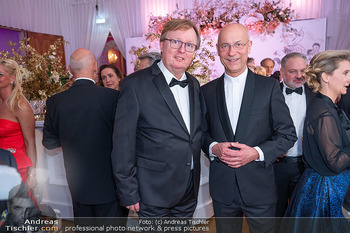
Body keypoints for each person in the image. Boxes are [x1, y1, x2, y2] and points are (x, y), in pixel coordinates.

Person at [201, 23, 297, 233]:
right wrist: (214, 147)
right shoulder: (206, 92)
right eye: (225, 46)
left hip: (260, 188)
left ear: (249, 46)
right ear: (217, 49)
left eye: (238, 44)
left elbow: (288, 135)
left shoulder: (269, 87)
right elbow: (201, 135)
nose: (231, 52)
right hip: (222, 191)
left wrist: (256, 153)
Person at [112, 19, 203, 225]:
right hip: (153, 191)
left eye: (189, 45)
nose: (182, 50)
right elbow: (122, 143)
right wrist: (128, 190)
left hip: (188, 188)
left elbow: (196, 132)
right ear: (162, 44)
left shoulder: (194, 84)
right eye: (175, 42)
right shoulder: (135, 84)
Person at [42, 48, 128, 220]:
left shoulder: (55, 101)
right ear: (95, 67)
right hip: (110, 184)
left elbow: (49, 143)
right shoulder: (113, 97)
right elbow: (125, 137)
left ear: (69, 69)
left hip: (78, 184)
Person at [281, 50, 350, 232]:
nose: (348, 79)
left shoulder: (325, 105)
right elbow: (335, 162)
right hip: (327, 190)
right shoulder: (323, 111)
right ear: (326, 77)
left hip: (325, 185)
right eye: (345, 73)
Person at [274, 53, 315, 219]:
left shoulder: (316, 94)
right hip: (277, 167)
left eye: (303, 70)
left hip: (306, 166)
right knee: (276, 213)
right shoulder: (270, 93)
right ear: (282, 72)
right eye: (293, 71)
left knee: (303, 214)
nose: (299, 76)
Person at [0, 58, 38, 207]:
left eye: (0, 74)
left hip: (17, 168)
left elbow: (30, 143)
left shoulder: (21, 105)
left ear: (13, 78)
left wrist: (32, 175)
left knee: (19, 213)